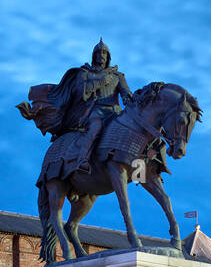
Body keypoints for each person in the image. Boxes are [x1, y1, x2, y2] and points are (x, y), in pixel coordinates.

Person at [16, 39, 134, 173]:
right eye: (98, 53)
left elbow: (126, 92)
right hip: (95, 112)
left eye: (104, 53)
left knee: (135, 127)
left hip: (115, 112)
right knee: (95, 129)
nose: (101, 55)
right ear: (94, 56)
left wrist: (128, 98)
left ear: (108, 57)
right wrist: (101, 82)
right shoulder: (85, 73)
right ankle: (82, 160)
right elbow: (82, 93)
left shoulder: (117, 76)